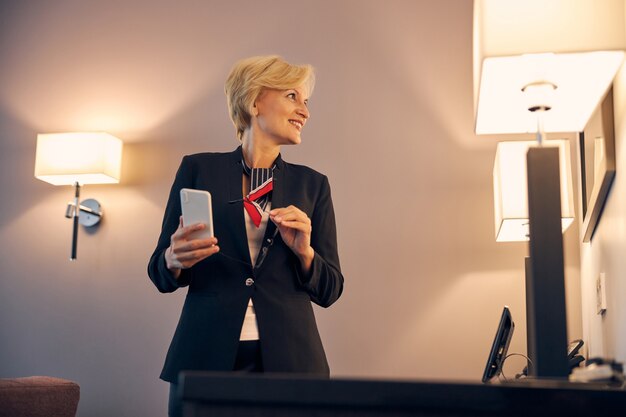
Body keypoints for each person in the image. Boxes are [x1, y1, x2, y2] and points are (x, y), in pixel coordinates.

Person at [147, 55, 344, 417]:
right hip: (204, 355)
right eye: (292, 96)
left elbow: (331, 289)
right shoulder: (197, 168)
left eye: (306, 101)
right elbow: (159, 273)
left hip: (292, 363)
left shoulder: (313, 185)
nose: (305, 111)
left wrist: (306, 254)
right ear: (253, 102)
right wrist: (172, 260)